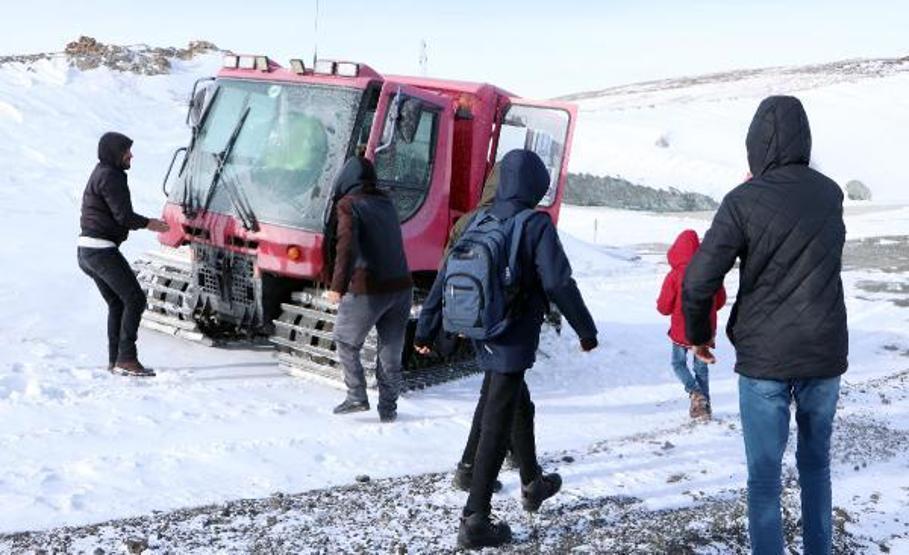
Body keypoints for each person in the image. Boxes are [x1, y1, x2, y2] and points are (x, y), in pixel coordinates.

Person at [682, 96, 848, 555]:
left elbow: (697, 280)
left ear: (755, 144)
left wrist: (698, 335)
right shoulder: (830, 194)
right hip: (822, 349)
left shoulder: (742, 201)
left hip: (764, 357)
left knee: (764, 478)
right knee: (816, 467)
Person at [415, 149, 598, 549]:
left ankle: (532, 482)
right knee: (497, 421)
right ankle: (475, 518)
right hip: (514, 334)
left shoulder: (477, 220)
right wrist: (586, 330)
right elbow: (558, 283)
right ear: (536, 185)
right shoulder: (535, 223)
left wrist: (426, 329)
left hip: (482, 328)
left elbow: (444, 275)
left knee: (515, 402)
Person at [324, 156, 413, 423]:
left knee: (345, 339)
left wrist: (337, 286)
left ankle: (356, 396)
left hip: (369, 289)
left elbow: (346, 247)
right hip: (402, 287)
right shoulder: (386, 202)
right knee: (390, 354)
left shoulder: (349, 204)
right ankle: (389, 409)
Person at [78, 131, 169, 376]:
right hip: (100, 250)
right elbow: (124, 216)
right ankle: (126, 358)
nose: (131, 155)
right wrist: (151, 224)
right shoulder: (111, 176)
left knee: (118, 302)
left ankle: (115, 360)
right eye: (126, 150)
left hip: (87, 250)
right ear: (114, 153)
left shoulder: (101, 172)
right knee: (135, 299)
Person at [657, 229, 726, 420]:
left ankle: (695, 393)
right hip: (705, 330)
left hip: (682, 330)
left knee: (678, 363)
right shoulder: (710, 271)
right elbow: (720, 300)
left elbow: (664, 306)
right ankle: (705, 407)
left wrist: (666, 308)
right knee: (701, 368)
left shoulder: (674, 275)